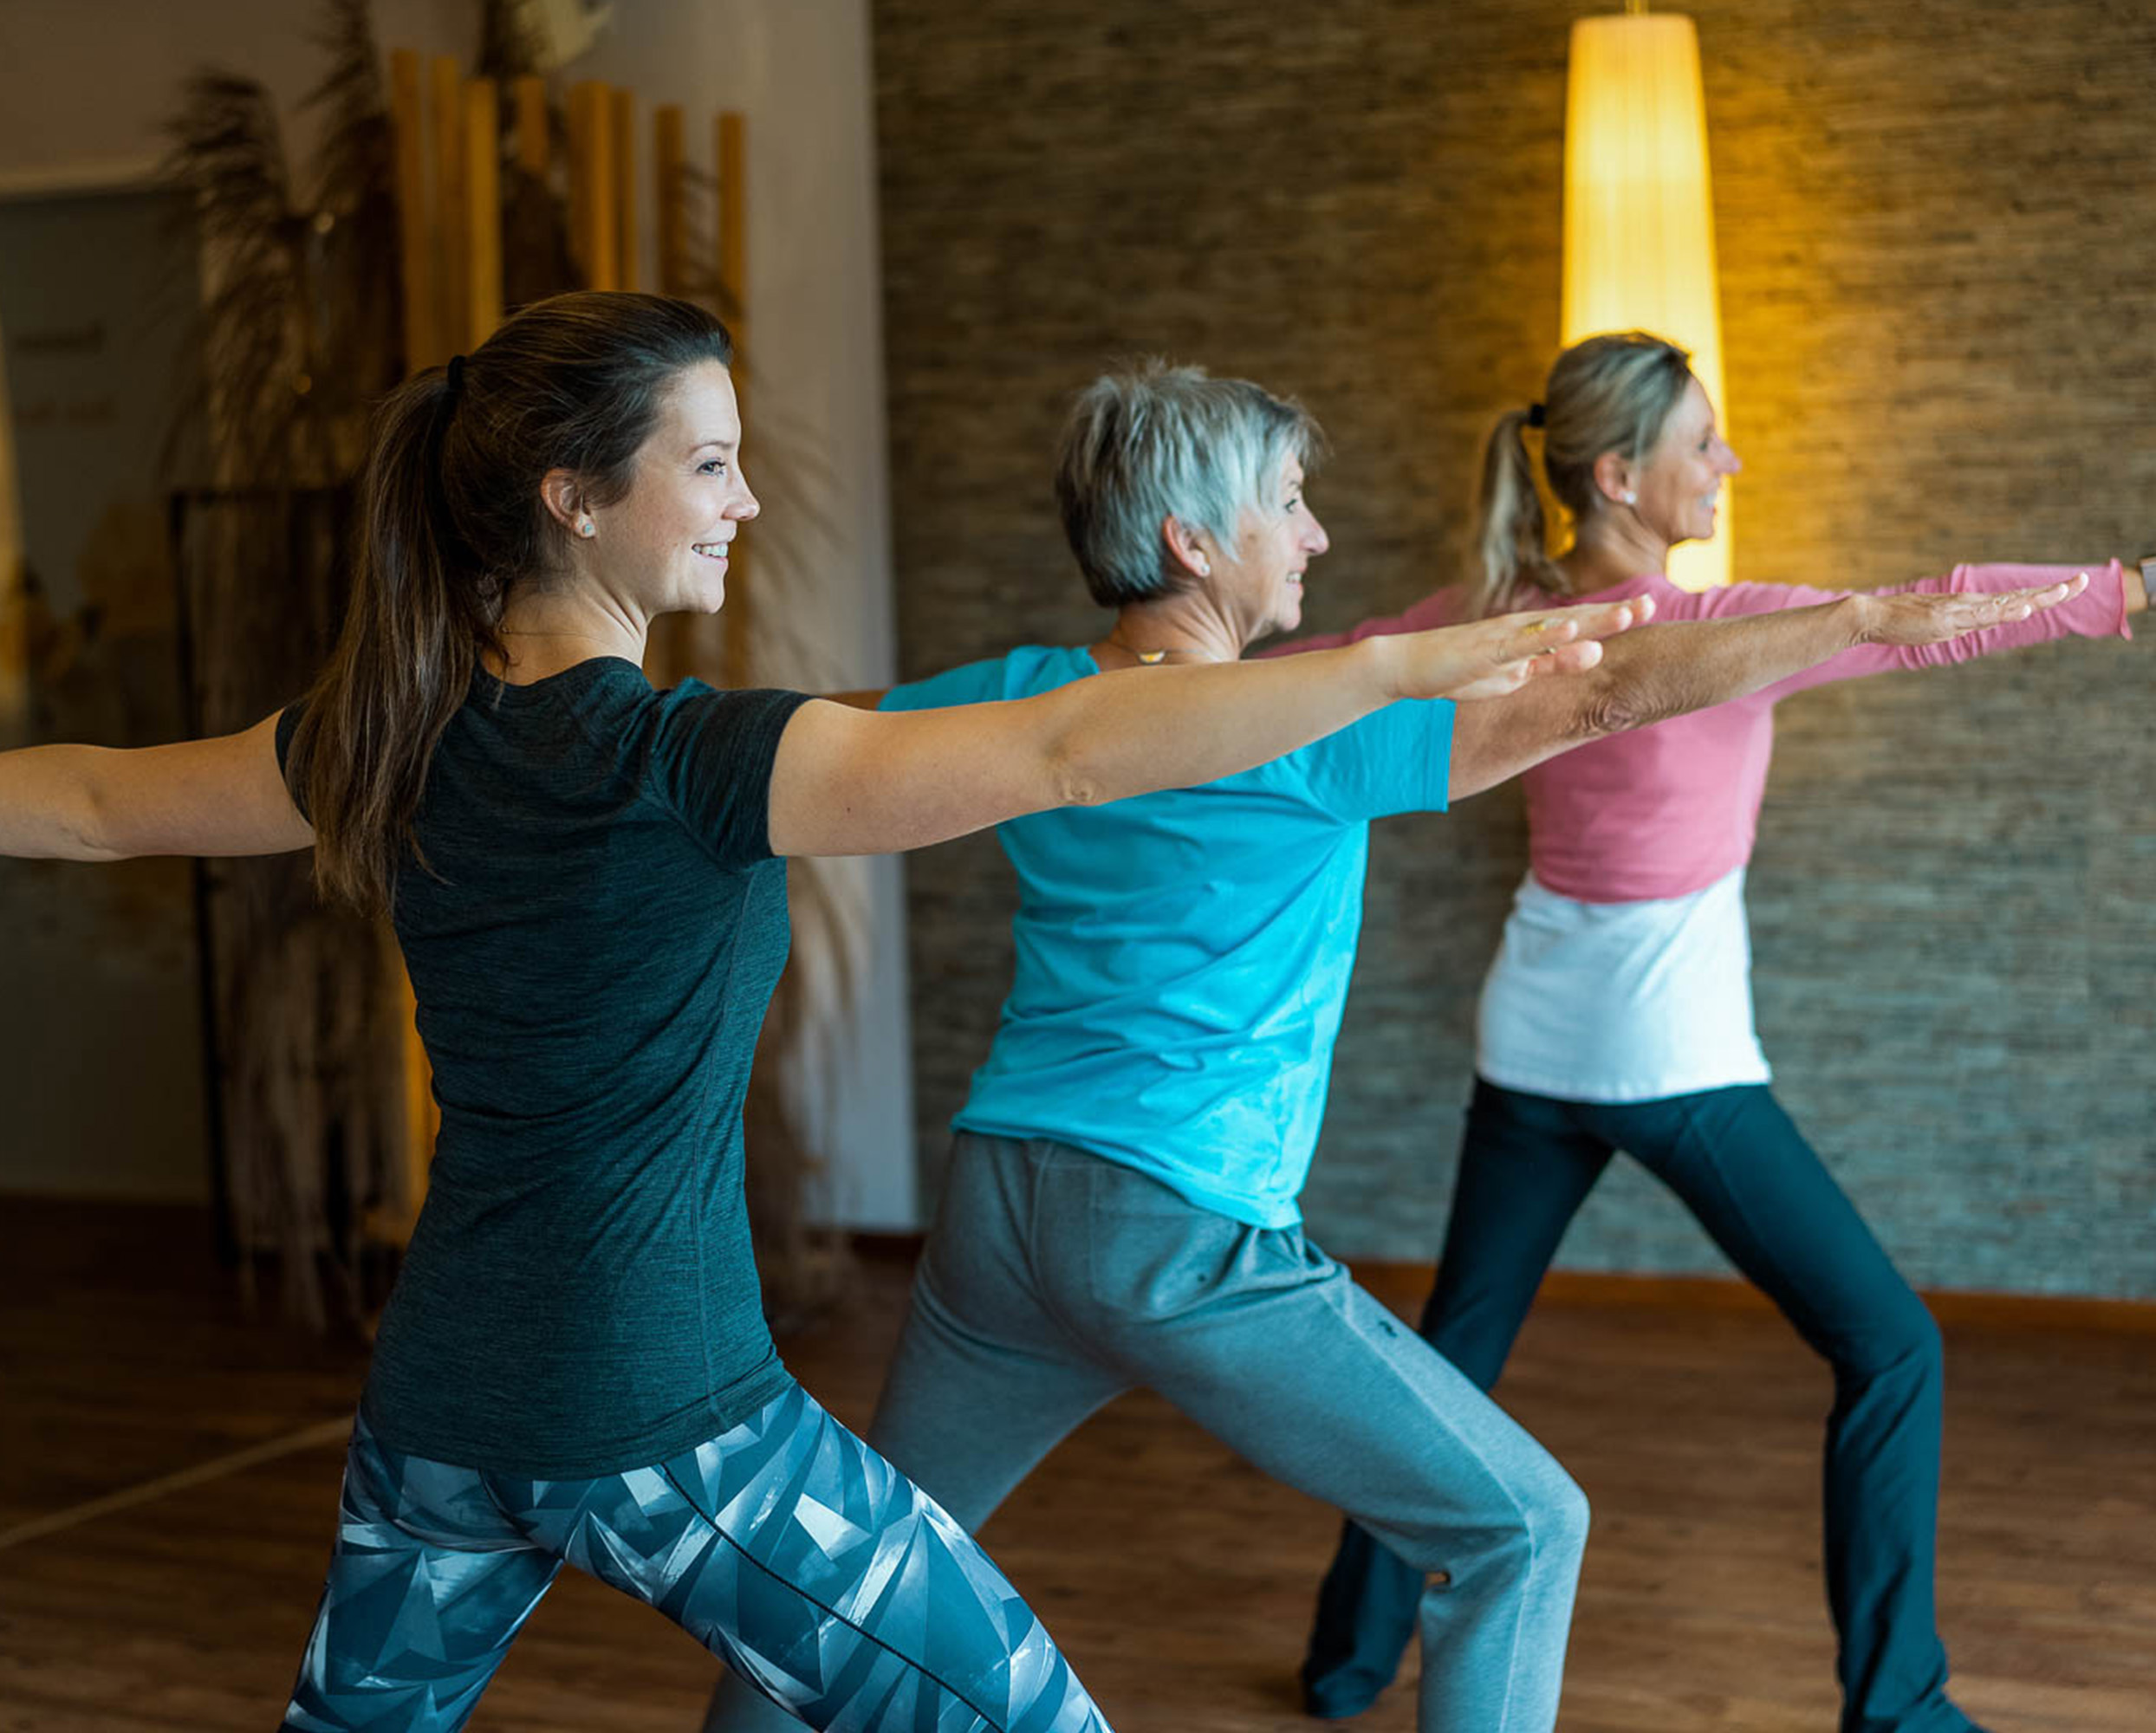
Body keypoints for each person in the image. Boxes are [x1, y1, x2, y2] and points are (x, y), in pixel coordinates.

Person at [0, 294, 1619, 1733]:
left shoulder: (384, 738)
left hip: (440, 1420)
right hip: (670, 1429)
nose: (744, 501)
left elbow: (95, 805)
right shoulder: (695, 764)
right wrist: (1392, 670)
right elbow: (1069, 747)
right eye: (708, 464)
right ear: (577, 498)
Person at [700, 359, 2083, 1733]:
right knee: (1522, 1527)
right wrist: (1856, 619)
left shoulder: (1019, 691)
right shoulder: (1308, 728)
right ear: (1193, 542)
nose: (1313, 537)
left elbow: (802, 740)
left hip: (1000, 1209)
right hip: (1178, 1229)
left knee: (857, 1567)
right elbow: (1610, 688)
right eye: (1289, 505)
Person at [1292, 330, 2156, 1733]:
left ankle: (1345, 1663)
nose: (1727, 463)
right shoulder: (1723, 629)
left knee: (1452, 1364)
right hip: (1665, 1060)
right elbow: (1942, 607)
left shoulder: (1493, 612)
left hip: (1532, 1042)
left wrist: (1118, 683)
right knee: (1891, 1346)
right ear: (1617, 475)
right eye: (1702, 445)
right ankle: (1898, 1706)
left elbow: (1314, 673)